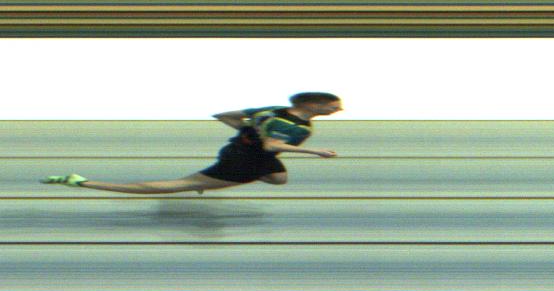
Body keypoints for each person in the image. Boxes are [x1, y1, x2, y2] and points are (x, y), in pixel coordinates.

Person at [40, 92, 342, 194]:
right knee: (179, 185)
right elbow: (272, 147)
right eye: (332, 106)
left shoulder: (272, 111)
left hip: (240, 150)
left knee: (278, 178)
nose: (337, 110)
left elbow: (224, 116)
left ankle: (207, 181)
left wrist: (251, 131)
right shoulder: (296, 126)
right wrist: (315, 151)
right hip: (246, 161)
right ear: (313, 104)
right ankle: (82, 181)